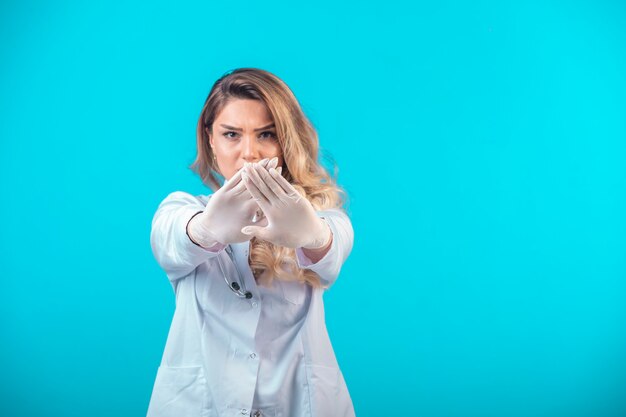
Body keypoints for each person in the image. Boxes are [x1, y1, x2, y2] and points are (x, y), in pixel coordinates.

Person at [146, 68, 356, 417]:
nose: (250, 153)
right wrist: (208, 229)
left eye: (266, 135)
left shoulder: (320, 216)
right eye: (231, 134)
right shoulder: (182, 209)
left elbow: (333, 248)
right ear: (210, 140)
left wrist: (310, 234)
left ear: (286, 142)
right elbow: (170, 240)